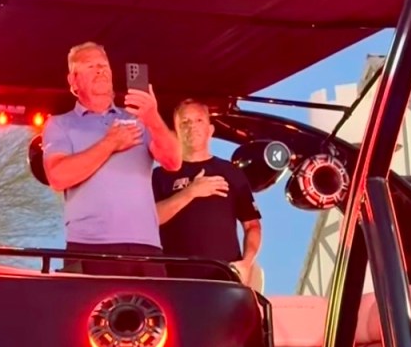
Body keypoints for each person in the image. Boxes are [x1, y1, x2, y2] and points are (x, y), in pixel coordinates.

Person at [42, 42, 182, 275]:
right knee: (91, 312)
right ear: (73, 80)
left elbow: (173, 161)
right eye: (90, 66)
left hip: (146, 246)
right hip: (89, 247)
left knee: (153, 311)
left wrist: (153, 117)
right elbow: (58, 177)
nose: (100, 70)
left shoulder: (139, 118)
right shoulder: (60, 124)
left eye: (103, 65)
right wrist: (110, 143)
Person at [152, 100, 262, 282]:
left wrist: (246, 263)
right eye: (185, 122)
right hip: (175, 279)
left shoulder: (231, 172)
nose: (192, 127)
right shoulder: (160, 175)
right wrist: (191, 192)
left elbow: (252, 226)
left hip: (224, 277)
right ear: (176, 132)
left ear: (210, 130)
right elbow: (151, 219)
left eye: (198, 120)